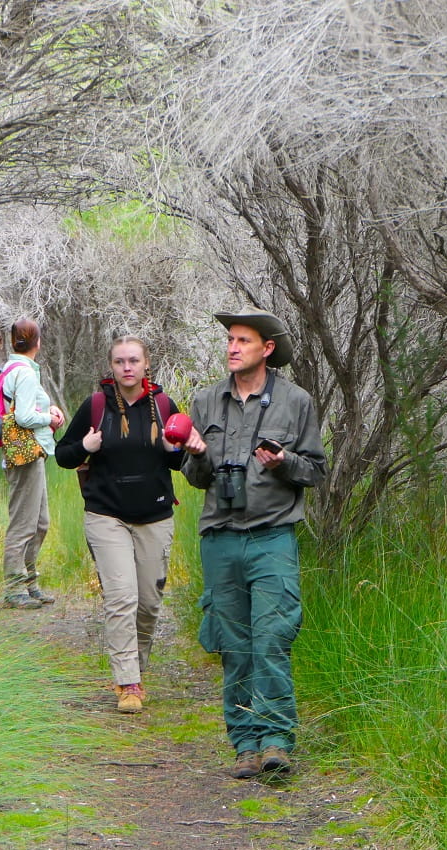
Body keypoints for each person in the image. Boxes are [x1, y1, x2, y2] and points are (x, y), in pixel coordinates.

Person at [181, 307, 327, 779]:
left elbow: (316, 471)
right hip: (220, 539)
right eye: (229, 340)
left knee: (272, 640)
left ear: (266, 349)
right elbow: (193, 477)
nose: (232, 347)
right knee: (234, 645)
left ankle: (277, 741)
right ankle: (244, 744)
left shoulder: (296, 401)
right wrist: (198, 457)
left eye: (242, 340)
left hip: (272, 537)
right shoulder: (205, 401)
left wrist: (284, 462)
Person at [55, 336, 199, 713]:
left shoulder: (164, 406)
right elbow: (63, 455)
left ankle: (136, 669)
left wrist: (176, 451)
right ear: (112, 367)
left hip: (155, 516)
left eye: (134, 360)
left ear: (146, 363)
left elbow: (180, 462)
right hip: (106, 516)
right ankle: (128, 682)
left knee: (148, 604)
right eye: (120, 362)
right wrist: (85, 447)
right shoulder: (96, 405)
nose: (127, 368)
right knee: (121, 598)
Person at [0, 317, 65, 609]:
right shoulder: (24, 373)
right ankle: (15, 588)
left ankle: (30, 582)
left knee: (40, 523)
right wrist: (48, 418)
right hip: (24, 454)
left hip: (32, 452)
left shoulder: (15, 368)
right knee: (23, 524)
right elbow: (25, 417)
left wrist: (47, 407)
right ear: (37, 343)